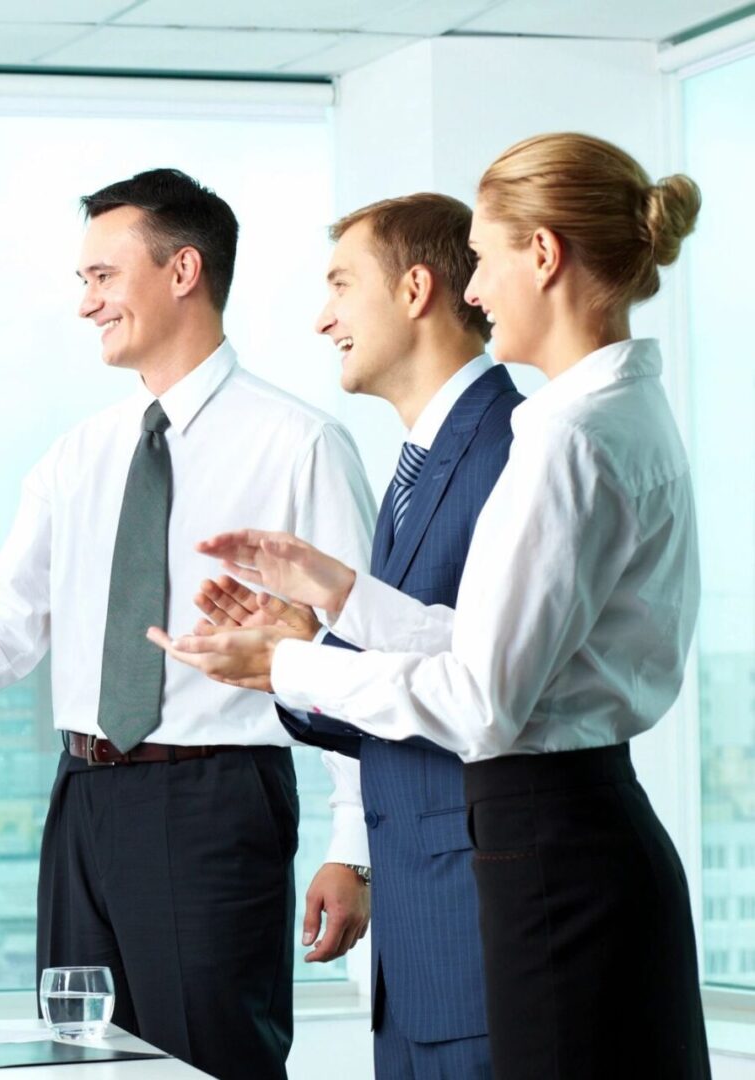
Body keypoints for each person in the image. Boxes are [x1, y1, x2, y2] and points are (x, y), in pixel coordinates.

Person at [152, 133, 710, 1077]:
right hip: (582, 837)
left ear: (543, 257)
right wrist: (336, 592)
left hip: (547, 857)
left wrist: (284, 665)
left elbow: (481, 701)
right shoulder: (616, 413)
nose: (478, 290)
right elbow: (504, 652)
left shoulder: (564, 439)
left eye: (486, 259)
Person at [0, 168, 376, 1079]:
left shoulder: (299, 444)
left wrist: (355, 849)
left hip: (216, 800)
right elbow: (3, 617)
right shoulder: (80, 454)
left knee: (210, 1059)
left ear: (183, 270)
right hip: (83, 798)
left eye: (102, 277)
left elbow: (357, 656)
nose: (86, 304)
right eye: (84, 282)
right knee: (77, 1059)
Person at [200, 192, 516, 1079]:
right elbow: (402, 683)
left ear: (415, 290)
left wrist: (299, 662)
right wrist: (293, 659)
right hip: (421, 946)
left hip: (478, 929)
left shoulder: (509, 448)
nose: (322, 316)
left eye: (342, 284)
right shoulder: (416, 466)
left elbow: (484, 688)